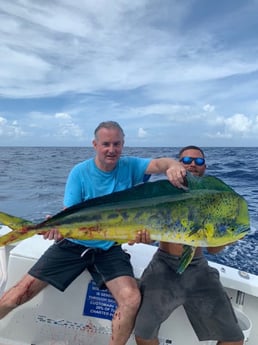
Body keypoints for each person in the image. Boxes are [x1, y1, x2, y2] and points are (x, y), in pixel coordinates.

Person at [0, 121, 186, 345]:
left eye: (116, 144)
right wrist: (57, 230)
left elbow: (158, 164)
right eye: (106, 144)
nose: (111, 149)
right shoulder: (80, 172)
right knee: (19, 293)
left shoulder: (131, 166)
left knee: (131, 298)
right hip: (73, 244)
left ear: (123, 144)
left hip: (109, 248)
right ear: (95, 144)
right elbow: (72, 213)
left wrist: (173, 165)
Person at [134, 145, 244, 345]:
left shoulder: (214, 201)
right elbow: (151, 237)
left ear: (205, 167)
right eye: (186, 161)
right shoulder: (164, 195)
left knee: (234, 340)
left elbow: (213, 249)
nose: (193, 164)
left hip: (198, 267)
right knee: (143, 333)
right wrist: (144, 238)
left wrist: (228, 238)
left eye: (199, 161)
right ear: (178, 164)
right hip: (163, 266)